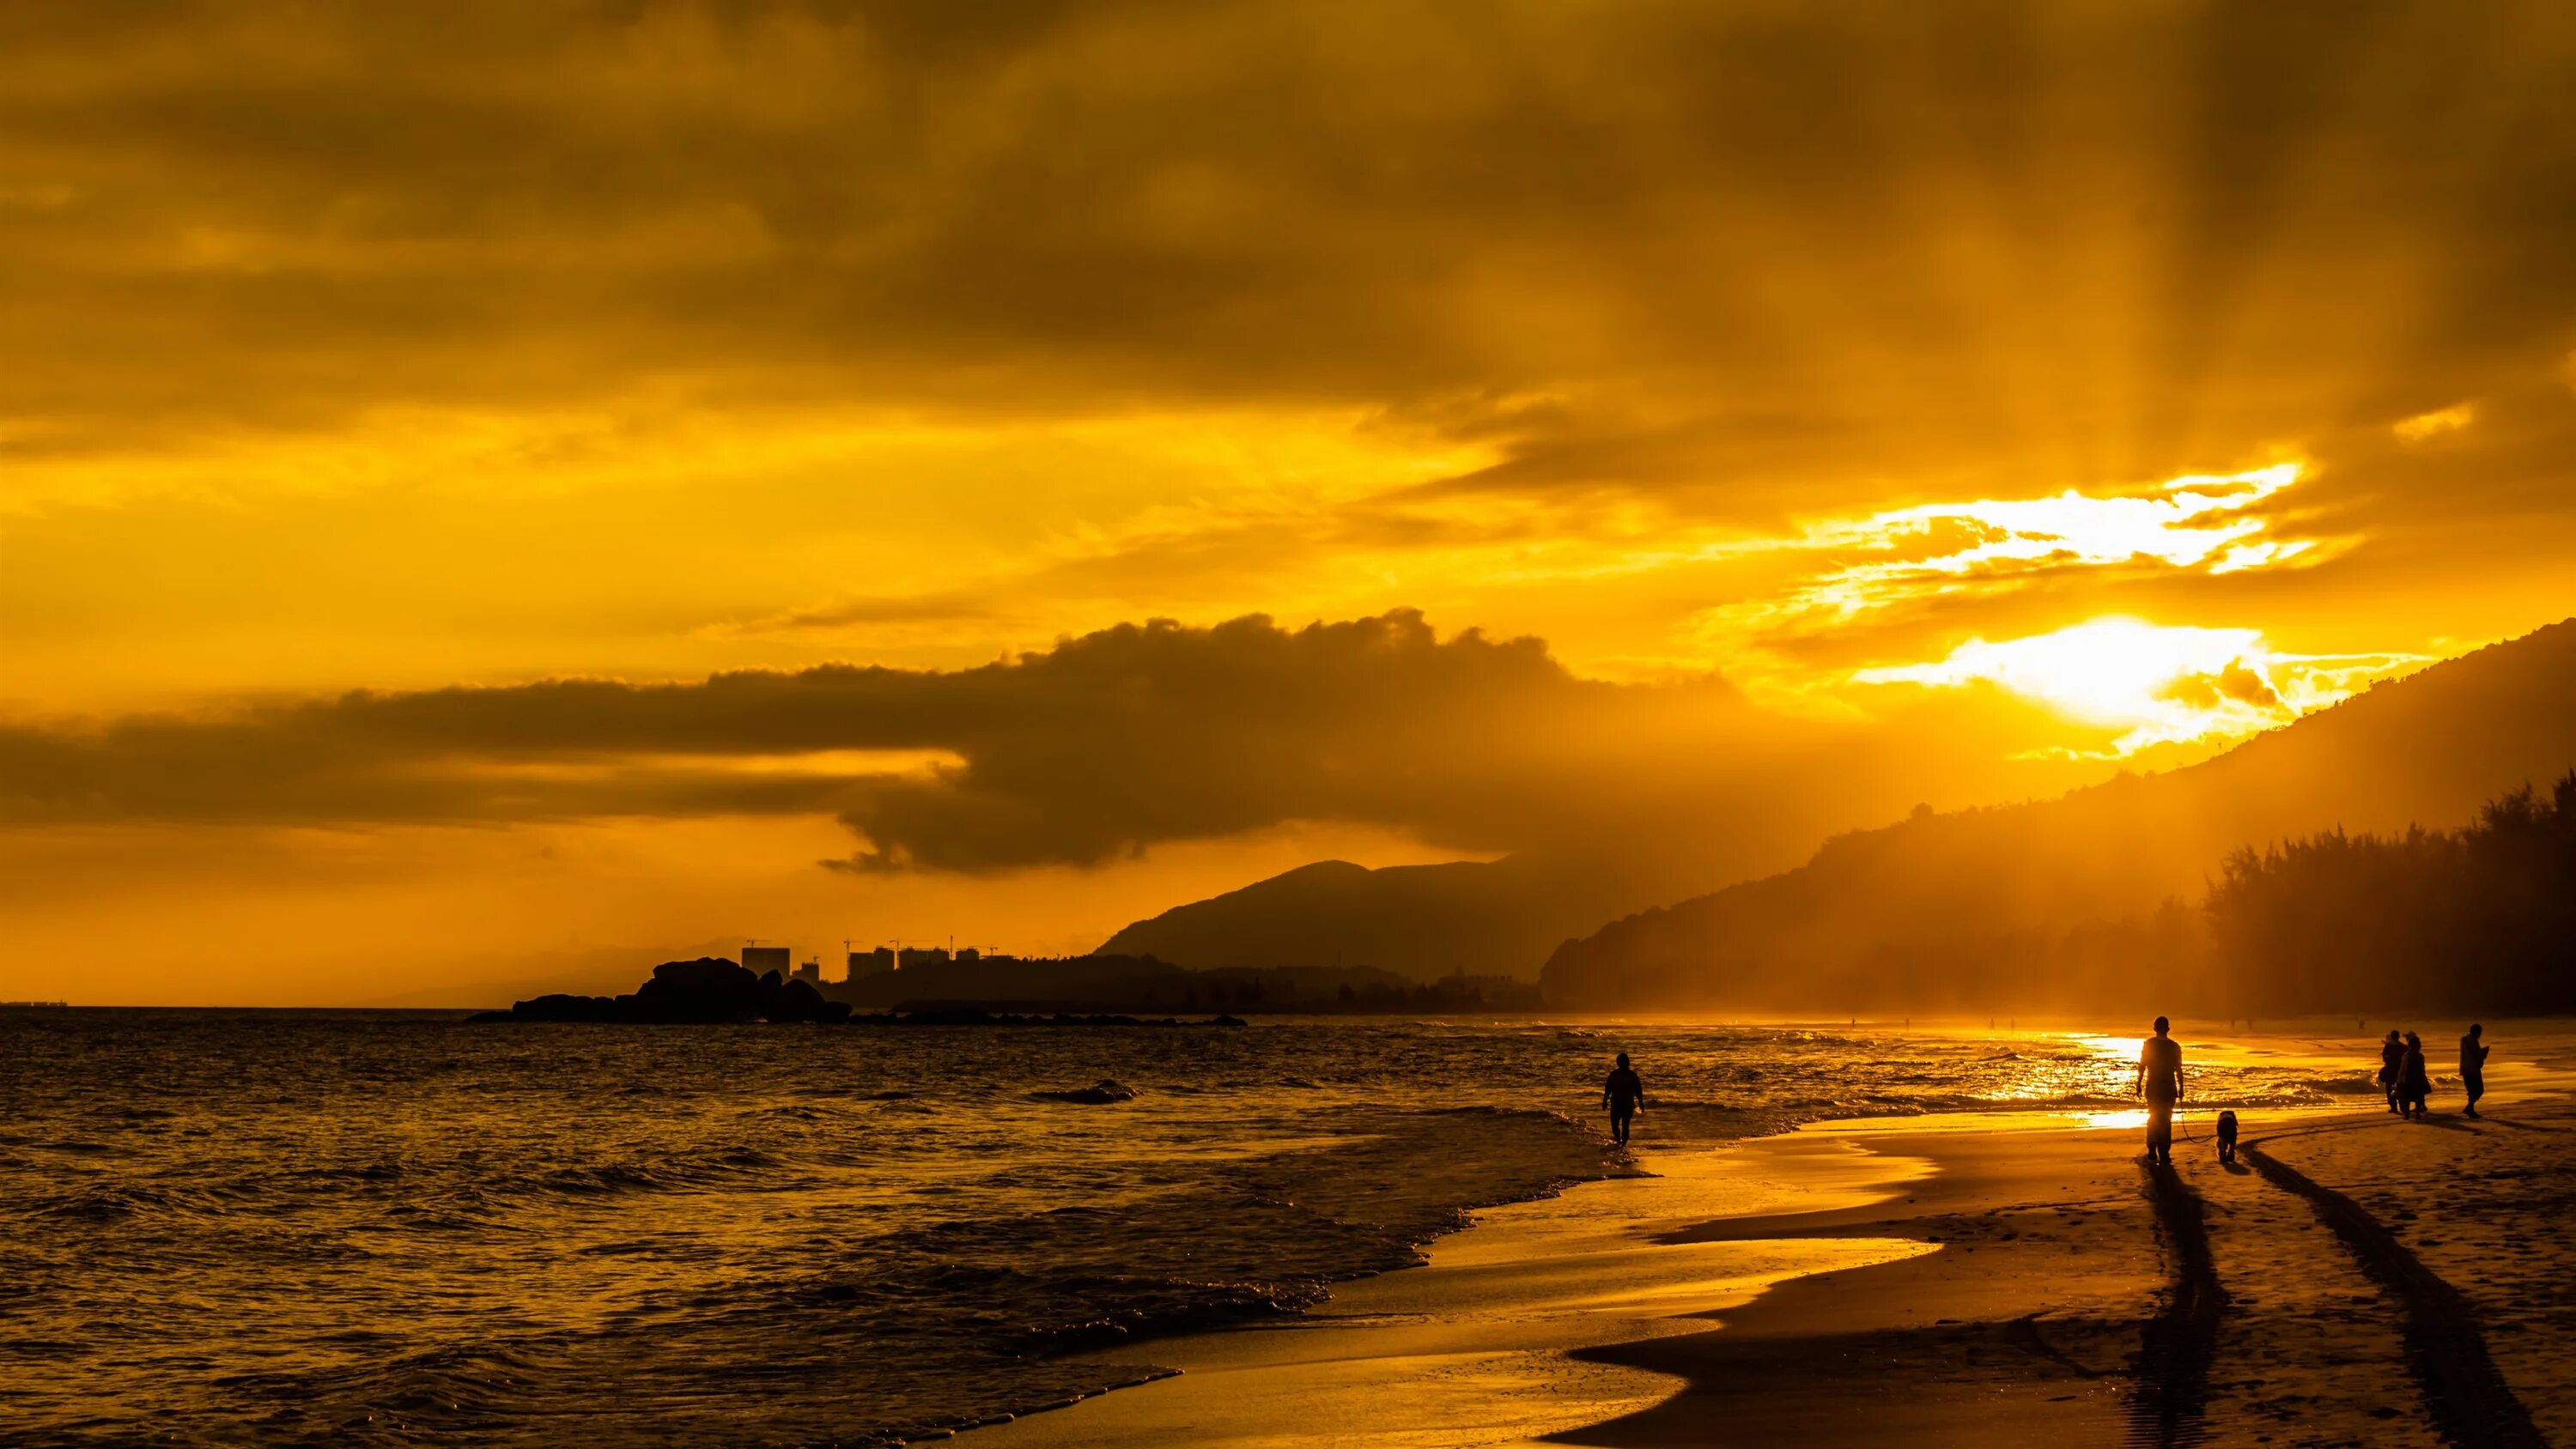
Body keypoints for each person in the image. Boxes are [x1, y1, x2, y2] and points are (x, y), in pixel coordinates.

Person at [2134, 1017, 2184, 1167]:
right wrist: (2181, 1087)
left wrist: (2138, 1084)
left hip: (2153, 1087)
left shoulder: (2149, 1045)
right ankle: (2164, 1152)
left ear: (2155, 1029)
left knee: (2154, 1116)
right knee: (2166, 1119)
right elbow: (2178, 1069)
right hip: (2169, 1088)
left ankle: (2152, 1147)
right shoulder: (2175, 1046)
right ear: (2168, 1029)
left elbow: (2142, 1066)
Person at [1602, 1052, 1646, 1146]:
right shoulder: (1614, 1075)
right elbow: (1608, 1088)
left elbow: (1638, 1090)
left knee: (1625, 1126)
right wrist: (1604, 1100)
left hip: (1628, 1104)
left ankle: (1623, 1144)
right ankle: (1619, 1141)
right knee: (1614, 1126)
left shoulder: (1632, 1076)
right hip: (1616, 1104)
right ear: (1618, 1063)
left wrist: (1641, 1102)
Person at [2398, 1031, 2432, 1119]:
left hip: (2414, 1078)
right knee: (2414, 1096)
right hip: (2413, 1078)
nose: (2420, 1046)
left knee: (2412, 1097)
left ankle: (2411, 1114)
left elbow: (2404, 1068)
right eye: (2418, 1045)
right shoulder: (2414, 1056)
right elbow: (2404, 1068)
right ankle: (2412, 1114)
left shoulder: (2409, 1055)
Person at [2460, 1024, 2490, 1118]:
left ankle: (2471, 1110)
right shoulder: (2473, 1041)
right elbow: (2475, 1055)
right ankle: (2469, 1108)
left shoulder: (2464, 1040)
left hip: (2465, 1069)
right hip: (2473, 1069)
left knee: (2471, 1091)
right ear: (2477, 1032)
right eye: (2480, 1033)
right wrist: (2484, 1054)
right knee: (2479, 1090)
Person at [2378, 1030, 2405, 1115]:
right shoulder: (2402, 1046)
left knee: (2390, 1089)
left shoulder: (2388, 1046)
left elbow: (2384, 1057)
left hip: (2391, 1070)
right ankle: (2402, 1107)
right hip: (2399, 1070)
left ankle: (2394, 1107)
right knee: (2400, 1088)